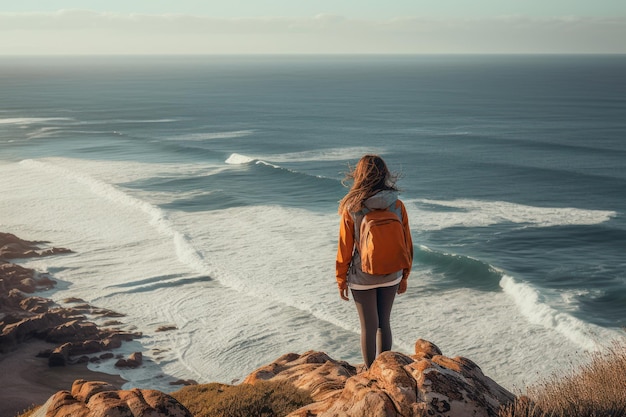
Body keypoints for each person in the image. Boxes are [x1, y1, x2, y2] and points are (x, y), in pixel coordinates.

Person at [336, 154, 413, 369]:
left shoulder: (352, 207)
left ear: (359, 175)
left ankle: (371, 374)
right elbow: (407, 243)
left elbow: (344, 248)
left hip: (362, 277)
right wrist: (404, 275)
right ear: (385, 174)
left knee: (368, 327)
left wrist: (341, 280)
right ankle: (386, 371)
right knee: (383, 324)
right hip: (392, 275)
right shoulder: (397, 205)